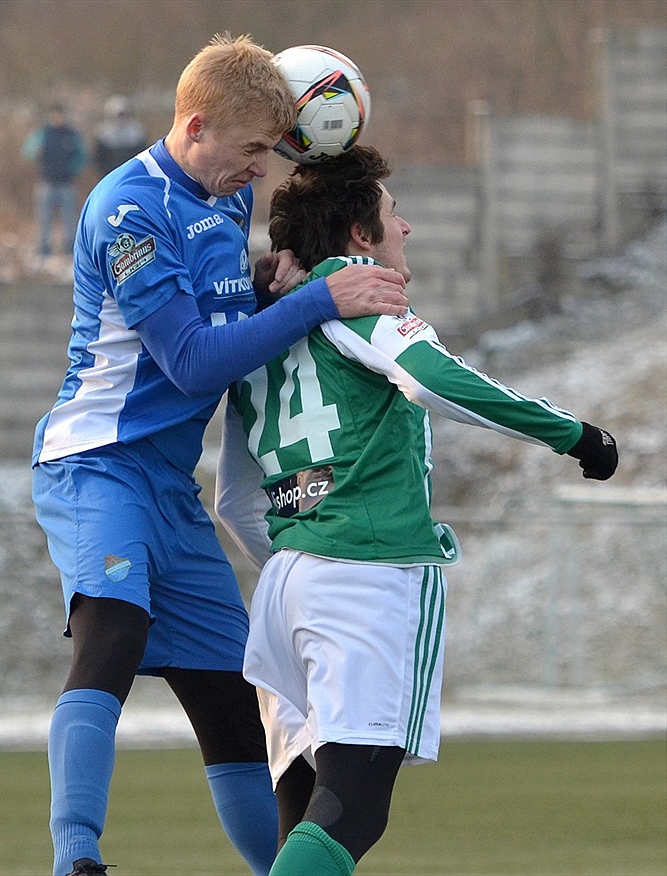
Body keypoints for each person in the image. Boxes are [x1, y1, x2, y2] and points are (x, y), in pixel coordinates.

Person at [31, 37, 407, 876]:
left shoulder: (219, 197)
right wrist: (316, 298)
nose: (259, 171)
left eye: (269, 154)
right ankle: (75, 860)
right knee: (113, 637)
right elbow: (192, 360)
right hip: (97, 465)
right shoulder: (127, 210)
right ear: (195, 126)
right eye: (249, 152)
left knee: (234, 705)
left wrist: (263, 283)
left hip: (168, 486)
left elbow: (219, 306)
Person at [214, 145, 619, 875]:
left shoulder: (264, 336)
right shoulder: (358, 291)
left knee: (304, 824)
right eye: (397, 218)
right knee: (352, 810)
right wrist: (576, 435)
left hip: (283, 591)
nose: (410, 231)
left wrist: (302, 558)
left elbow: (234, 500)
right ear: (361, 236)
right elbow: (432, 380)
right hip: (367, 578)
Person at [21, 103, 88, 257]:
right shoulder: (43, 134)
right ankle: (44, 248)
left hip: (66, 183)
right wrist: (36, 151)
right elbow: (27, 151)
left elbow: (82, 156)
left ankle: (70, 248)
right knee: (44, 218)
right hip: (46, 182)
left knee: (69, 218)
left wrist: (72, 169)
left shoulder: (71, 135)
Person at [93, 95, 147, 179]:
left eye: (124, 114)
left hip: (133, 175)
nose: (122, 118)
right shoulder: (103, 134)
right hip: (110, 175)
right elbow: (99, 158)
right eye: (119, 115)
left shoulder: (137, 132)